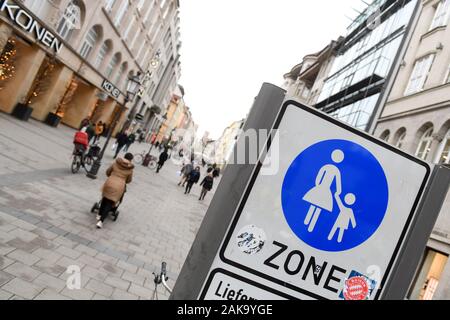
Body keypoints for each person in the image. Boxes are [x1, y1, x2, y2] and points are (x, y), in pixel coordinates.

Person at [96, 153, 134, 229]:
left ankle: (99, 214)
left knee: (105, 198)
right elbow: (129, 180)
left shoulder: (116, 163)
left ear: (124, 157)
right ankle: (101, 221)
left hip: (110, 182)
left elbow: (108, 172)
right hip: (119, 186)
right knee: (110, 202)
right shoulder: (130, 169)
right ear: (130, 160)